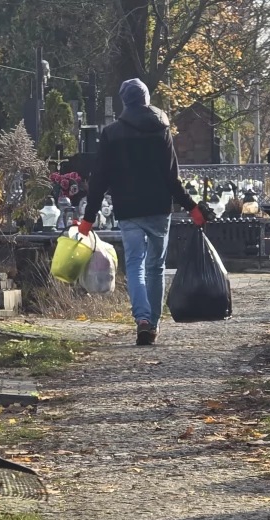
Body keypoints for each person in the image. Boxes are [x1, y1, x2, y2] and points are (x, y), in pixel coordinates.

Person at [79, 78, 211, 346]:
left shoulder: (112, 133)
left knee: (136, 265)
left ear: (124, 102)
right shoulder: (161, 130)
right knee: (156, 267)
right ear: (146, 99)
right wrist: (192, 207)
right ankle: (153, 324)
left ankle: (141, 320)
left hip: (128, 210)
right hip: (159, 209)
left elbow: (100, 178)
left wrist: (88, 218)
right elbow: (171, 177)